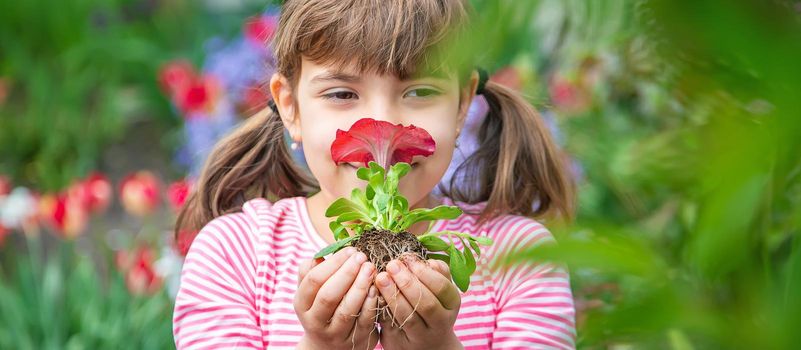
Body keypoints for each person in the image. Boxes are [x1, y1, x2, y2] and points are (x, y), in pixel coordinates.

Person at [172, 0, 576, 348]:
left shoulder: (521, 257)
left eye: (419, 92)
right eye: (342, 94)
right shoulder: (236, 255)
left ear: (461, 106)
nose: (382, 121)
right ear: (291, 107)